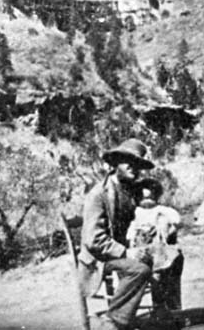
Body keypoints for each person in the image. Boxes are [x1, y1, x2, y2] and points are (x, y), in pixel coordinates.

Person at [79, 139, 183, 330]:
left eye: (137, 164)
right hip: (99, 258)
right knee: (139, 269)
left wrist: (161, 227)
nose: (133, 167)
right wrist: (127, 253)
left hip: (126, 250)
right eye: (128, 161)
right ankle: (114, 321)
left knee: (173, 255)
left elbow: (141, 219)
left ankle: (166, 312)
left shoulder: (130, 191)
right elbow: (93, 240)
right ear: (115, 163)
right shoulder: (99, 194)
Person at [127, 178, 184, 311]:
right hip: (141, 250)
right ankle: (159, 308)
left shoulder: (162, 209)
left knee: (171, 264)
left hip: (161, 248)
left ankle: (172, 308)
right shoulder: (135, 212)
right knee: (155, 275)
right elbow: (130, 233)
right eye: (143, 197)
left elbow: (177, 220)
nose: (147, 200)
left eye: (151, 196)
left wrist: (165, 225)